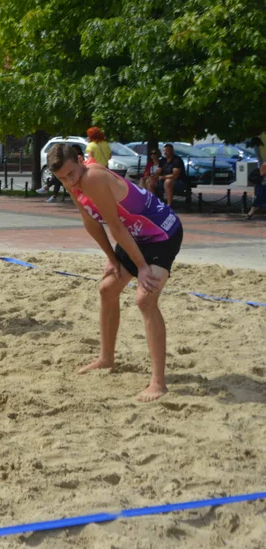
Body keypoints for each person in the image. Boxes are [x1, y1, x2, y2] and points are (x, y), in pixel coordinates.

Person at [48, 142, 182, 402]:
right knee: (107, 288)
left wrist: (142, 268)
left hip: (161, 232)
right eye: (62, 178)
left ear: (80, 160)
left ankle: (158, 382)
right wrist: (111, 258)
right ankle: (106, 359)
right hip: (136, 234)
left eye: (71, 174)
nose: (68, 181)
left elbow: (115, 227)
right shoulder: (72, 181)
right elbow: (90, 222)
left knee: (145, 298)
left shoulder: (93, 177)